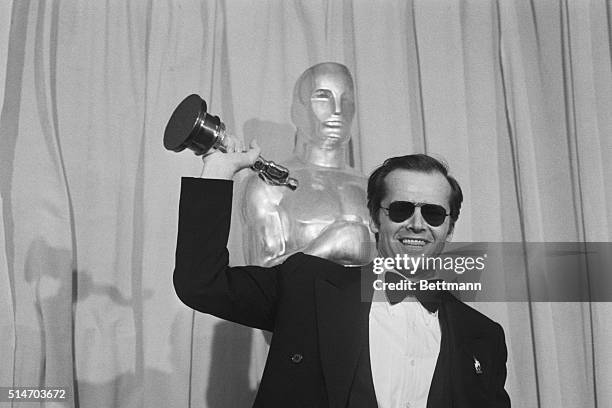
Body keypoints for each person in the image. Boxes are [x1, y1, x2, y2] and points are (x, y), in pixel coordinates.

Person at [173, 142, 511, 407]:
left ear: (450, 228)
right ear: (376, 219)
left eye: (434, 213)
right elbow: (202, 284)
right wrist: (219, 169)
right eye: (401, 209)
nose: (417, 224)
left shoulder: (483, 336)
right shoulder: (307, 287)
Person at [240, 62, 371, 267]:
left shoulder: (373, 188)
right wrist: (328, 246)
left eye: (346, 99)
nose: (337, 110)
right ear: (297, 111)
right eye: (322, 97)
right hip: (304, 297)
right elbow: (261, 279)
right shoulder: (269, 186)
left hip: (368, 299)